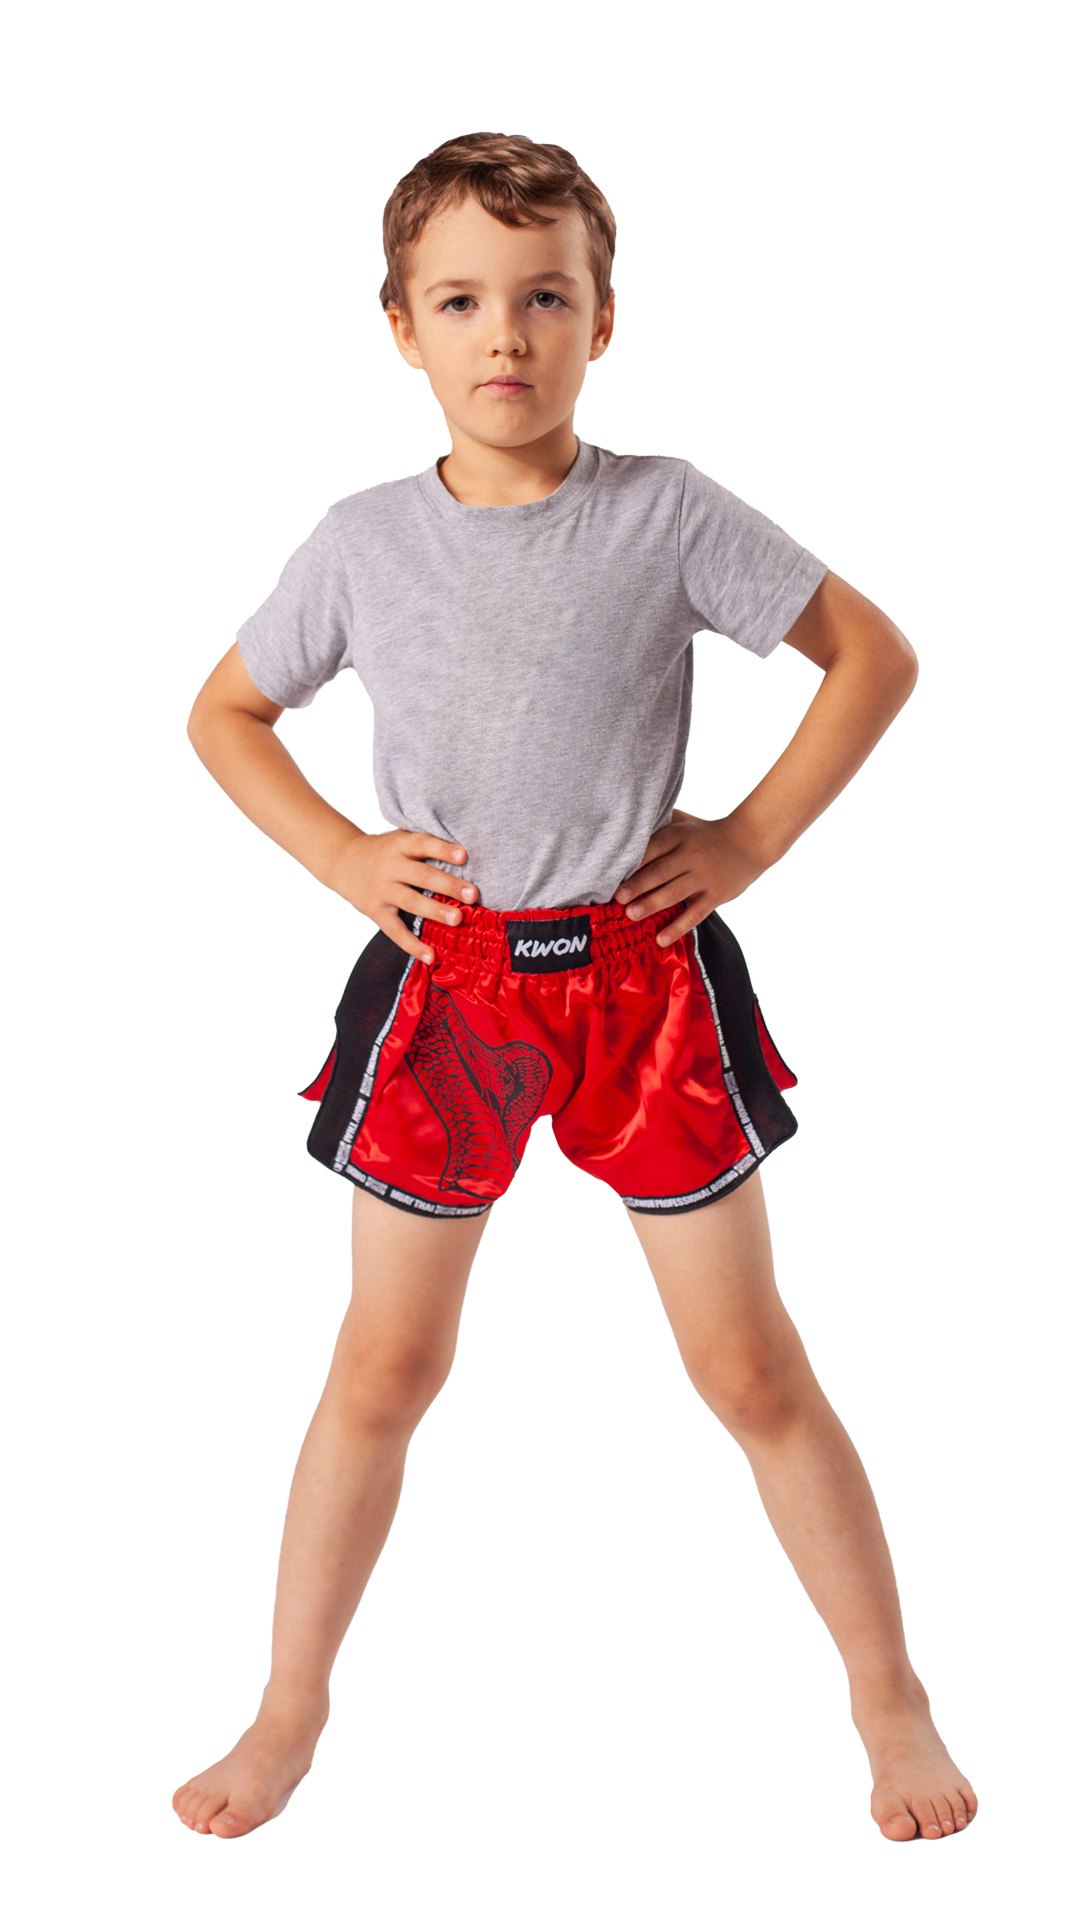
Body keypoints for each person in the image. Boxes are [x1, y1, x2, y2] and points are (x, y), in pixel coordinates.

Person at [172, 131, 976, 1845]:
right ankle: (289, 1706)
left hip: (642, 987)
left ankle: (887, 1696)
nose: (506, 336)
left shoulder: (666, 512)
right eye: (462, 301)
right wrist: (340, 857)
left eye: (544, 299)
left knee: (747, 1368)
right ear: (401, 328)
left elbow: (872, 655)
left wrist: (746, 838)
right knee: (384, 1367)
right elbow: (224, 714)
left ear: (601, 321)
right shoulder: (360, 541)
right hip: (449, 995)